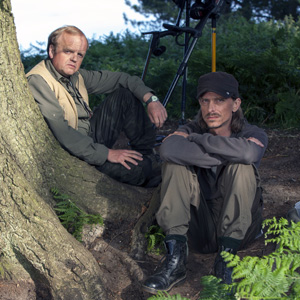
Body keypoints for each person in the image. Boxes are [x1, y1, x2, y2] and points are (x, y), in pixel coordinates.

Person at [142, 71, 268, 293]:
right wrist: (230, 150)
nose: (211, 109)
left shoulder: (252, 131)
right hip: (198, 228)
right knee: (174, 164)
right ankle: (176, 260)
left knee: (242, 166)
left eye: (220, 101)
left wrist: (200, 141)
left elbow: (248, 156)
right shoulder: (190, 129)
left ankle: (226, 262)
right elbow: (168, 149)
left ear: (235, 104)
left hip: (241, 231)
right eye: (205, 101)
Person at [26, 25, 167, 187]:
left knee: (124, 95)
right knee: (139, 170)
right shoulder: (38, 81)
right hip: (74, 150)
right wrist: (107, 153)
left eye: (80, 54)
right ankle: (147, 172)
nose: (74, 59)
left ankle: (147, 154)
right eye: (68, 51)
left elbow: (122, 79)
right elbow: (64, 135)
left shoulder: (76, 75)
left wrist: (151, 100)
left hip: (90, 135)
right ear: (52, 51)